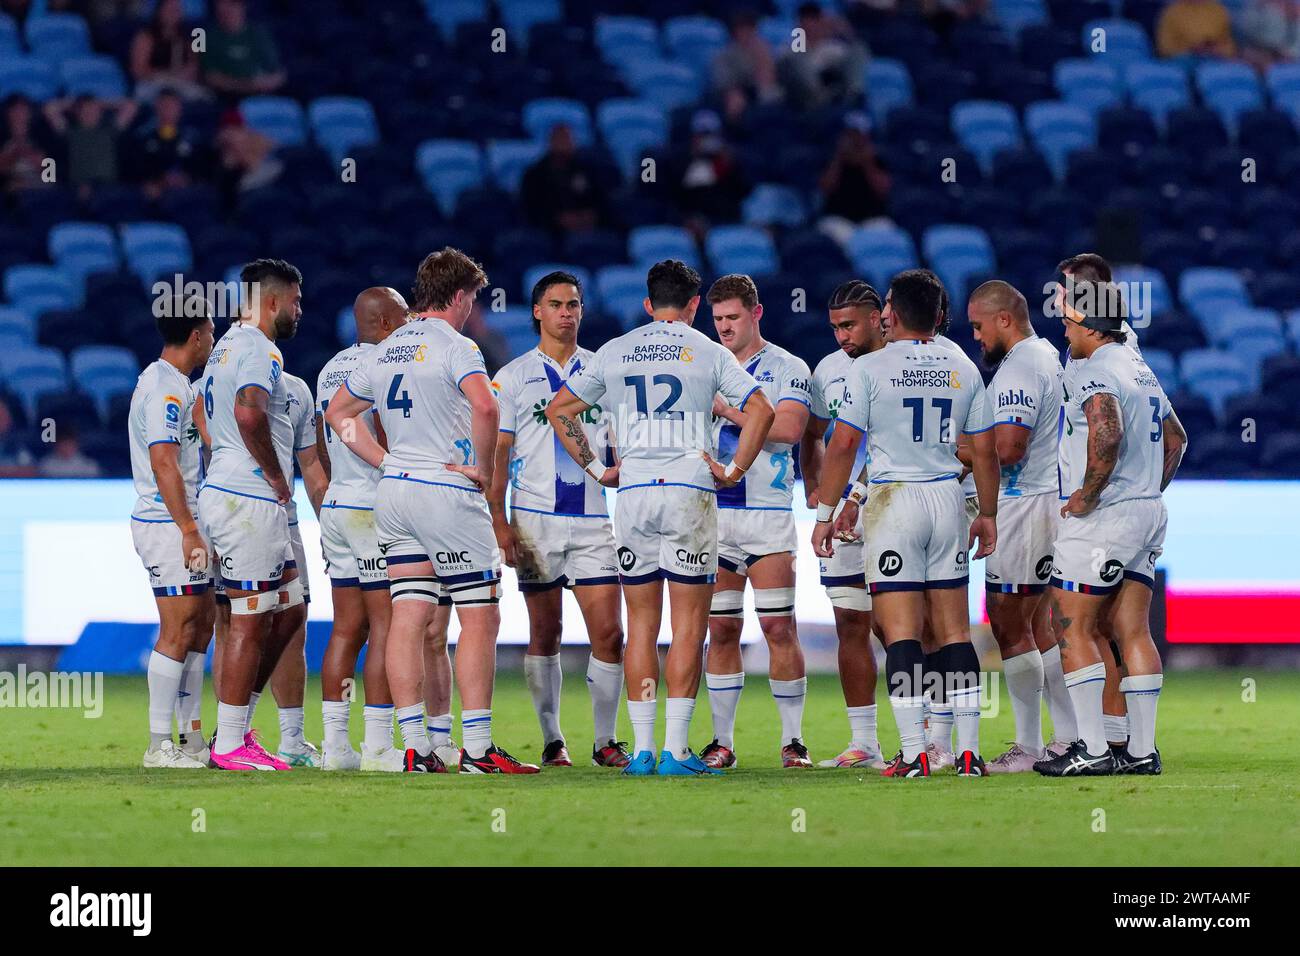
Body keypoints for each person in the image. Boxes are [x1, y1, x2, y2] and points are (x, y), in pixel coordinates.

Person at [545, 259, 774, 776]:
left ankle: (643, 750)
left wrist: (598, 468)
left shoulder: (614, 350)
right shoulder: (709, 351)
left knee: (642, 625)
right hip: (690, 488)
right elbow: (762, 410)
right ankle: (676, 751)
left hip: (635, 492)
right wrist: (734, 470)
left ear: (647, 304)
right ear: (694, 306)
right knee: (689, 626)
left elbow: (560, 410)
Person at [326, 247, 538, 774]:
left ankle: (417, 746)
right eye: (473, 299)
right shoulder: (456, 345)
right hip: (444, 488)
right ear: (461, 296)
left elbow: (338, 413)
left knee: (409, 614)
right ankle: (479, 749)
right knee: (480, 615)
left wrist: (384, 458)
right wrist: (486, 472)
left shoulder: (386, 348)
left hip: (393, 493)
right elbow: (486, 405)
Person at [812, 269, 999, 778]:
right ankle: (967, 752)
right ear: (940, 315)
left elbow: (844, 444)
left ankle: (915, 752)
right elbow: (984, 450)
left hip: (895, 500)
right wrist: (987, 513)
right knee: (956, 633)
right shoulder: (962, 363)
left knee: (901, 636)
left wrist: (826, 514)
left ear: (891, 312)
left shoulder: (871, 368)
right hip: (945, 497)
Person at [1035, 280, 1187, 776]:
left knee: (1069, 623)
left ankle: (1093, 750)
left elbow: (1107, 431)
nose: (1064, 330)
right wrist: (1147, 490)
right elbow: (1176, 440)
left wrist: (1092, 492)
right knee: (1133, 630)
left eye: (1069, 322)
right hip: (1147, 512)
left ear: (1091, 326)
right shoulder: (1141, 369)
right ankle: (1142, 752)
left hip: (1105, 517)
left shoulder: (1095, 369)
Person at [488, 272, 628, 768]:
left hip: (593, 520)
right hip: (535, 520)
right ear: (537, 312)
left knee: (610, 633)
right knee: (545, 632)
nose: (566, 312)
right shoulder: (511, 377)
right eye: (556, 304)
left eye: (573, 304)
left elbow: (621, 440)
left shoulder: (604, 371)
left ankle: (605, 740)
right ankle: (552, 739)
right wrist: (501, 523)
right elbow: (498, 457)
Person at [698, 273, 814, 770]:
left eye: (733, 318)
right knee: (721, 631)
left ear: (756, 314)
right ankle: (722, 741)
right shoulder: (702, 364)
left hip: (767, 516)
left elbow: (786, 429)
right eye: (718, 318)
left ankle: (793, 741)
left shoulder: (788, 367)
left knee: (778, 627)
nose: (724, 327)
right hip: (715, 517)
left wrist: (726, 408)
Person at [196, 258, 302, 771]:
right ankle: (230, 744)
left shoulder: (224, 347)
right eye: (297, 301)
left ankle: (235, 729)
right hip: (249, 499)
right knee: (249, 620)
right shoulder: (261, 348)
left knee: (291, 602)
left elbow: (205, 408)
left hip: (226, 491)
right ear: (275, 301)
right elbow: (248, 410)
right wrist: (276, 475)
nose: (300, 311)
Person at [966, 280, 1066, 772]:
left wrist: (952, 446)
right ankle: (1068, 739)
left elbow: (1006, 449)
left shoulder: (1021, 366)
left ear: (1004, 319)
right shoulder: (1046, 354)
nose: (977, 337)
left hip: (1023, 505)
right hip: (1045, 501)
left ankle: (1029, 747)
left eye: (979, 326)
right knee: (1040, 627)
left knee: (1010, 624)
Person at [318, 288, 418, 770]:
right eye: (403, 318)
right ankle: (379, 745)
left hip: (336, 502)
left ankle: (336, 747)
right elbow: (377, 430)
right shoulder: (385, 366)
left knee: (346, 628)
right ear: (383, 323)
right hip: (372, 507)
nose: (410, 325)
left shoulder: (329, 368)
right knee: (387, 625)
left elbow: (323, 439)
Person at [800, 280, 889, 768]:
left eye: (849, 325)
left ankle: (930, 738)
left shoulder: (908, 363)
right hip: (844, 519)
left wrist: (855, 495)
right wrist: (818, 490)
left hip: (901, 507)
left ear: (879, 318)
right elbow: (814, 435)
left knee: (906, 628)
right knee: (850, 622)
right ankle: (865, 742)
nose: (841, 336)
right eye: (834, 327)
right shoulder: (828, 370)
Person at [129, 294, 215, 769]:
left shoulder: (180, 386)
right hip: (167, 524)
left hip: (185, 520)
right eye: (210, 333)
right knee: (178, 628)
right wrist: (187, 528)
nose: (213, 341)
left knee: (200, 627)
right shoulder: (163, 388)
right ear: (196, 336)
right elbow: (164, 461)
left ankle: (190, 736)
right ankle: (158, 743)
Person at [262, 371, 328, 766]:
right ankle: (231, 733)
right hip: (234, 512)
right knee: (234, 622)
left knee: (293, 621)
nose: (298, 307)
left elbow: (312, 468)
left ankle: (291, 741)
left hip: (284, 519)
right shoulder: (212, 386)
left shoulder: (297, 390)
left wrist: (330, 526)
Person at [818, 112, 892, 248]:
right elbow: (825, 188)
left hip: (872, 219)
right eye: (851, 135)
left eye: (859, 136)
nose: (855, 141)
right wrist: (839, 159)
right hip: (839, 218)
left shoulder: (877, 158)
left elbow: (883, 190)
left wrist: (867, 163)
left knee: (885, 232)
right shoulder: (830, 158)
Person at [776, 3, 868, 111]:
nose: (810, 26)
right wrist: (801, 41)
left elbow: (850, 63)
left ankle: (854, 96)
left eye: (814, 21)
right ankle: (817, 97)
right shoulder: (789, 47)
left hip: (830, 92)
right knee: (797, 61)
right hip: (800, 95)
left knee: (858, 49)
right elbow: (786, 69)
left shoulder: (833, 48)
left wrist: (843, 31)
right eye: (805, 22)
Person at [41, 95, 138, 197]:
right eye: (85, 109)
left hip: (108, 188)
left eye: (94, 110)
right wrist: (74, 104)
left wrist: (101, 104)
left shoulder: (111, 131)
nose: (90, 113)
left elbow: (131, 106)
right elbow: (50, 109)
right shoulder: (69, 132)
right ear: (77, 112)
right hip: (76, 188)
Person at [519, 124, 605, 236]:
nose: (565, 143)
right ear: (551, 142)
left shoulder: (586, 171)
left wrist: (589, 216)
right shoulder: (534, 175)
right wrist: (558, 219)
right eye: (560, 139)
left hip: (587, 228)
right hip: (550, 231)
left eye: (568, 139)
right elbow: (532, 208)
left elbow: (599, 200)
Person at [129, 88, 211, 198]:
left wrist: (187, 179)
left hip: (187, 192)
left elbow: (202, 168)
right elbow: (135, 169)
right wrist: (160, 179)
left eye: (173, 106)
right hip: (152, 191)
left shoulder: (194, 138)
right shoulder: (142, 137)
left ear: (180, 108)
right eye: (164, 105)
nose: (168, 110)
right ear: (156, 108)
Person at [202, 0, 286, 97]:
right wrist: (245, 85)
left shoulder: (259, 33)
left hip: (266, 94)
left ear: (242, 7)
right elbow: (211, 77)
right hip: (230, 98)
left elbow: (278, 74)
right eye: (222, 4)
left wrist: (265, 83)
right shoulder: (206, 36)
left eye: (232, 5)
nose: (226, 9)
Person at [129, 0, 206, 102]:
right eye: (169, 10)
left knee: (204, 97)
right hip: (153, 83)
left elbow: (194, 65)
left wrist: (187, 72)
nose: (173, 13)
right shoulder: (145, 37)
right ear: (160, 11)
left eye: (177, 10)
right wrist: (166, 75)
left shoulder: (188, 37)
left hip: (180, 84)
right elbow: (138, 70)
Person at [712, 9, 781, 105]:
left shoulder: (764, 50)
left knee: (772, 96)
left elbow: (769, 79)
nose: (746, 34)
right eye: (742, 30)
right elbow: (725, 83)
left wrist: (762, 59)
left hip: (762, 94)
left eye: (750, 30)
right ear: (734, 33)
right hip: (735, 95)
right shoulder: (723, 56)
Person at [0, 94, 51, 193]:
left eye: (23, 110)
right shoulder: (2, 139)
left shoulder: (43, 138)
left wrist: (34, 158)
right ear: (8, 113)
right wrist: (13, 155)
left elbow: (50, 174)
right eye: (15, 110)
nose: (19, 115)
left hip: (40, 191)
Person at [1156, 0, 1237, 60]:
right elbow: (1165, 48)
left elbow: (1228, 44)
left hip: (1215, 58)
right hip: (1184, 61)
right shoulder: (1171, 13)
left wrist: (1216, 50)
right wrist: (1191, 50)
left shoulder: (1218, 11)